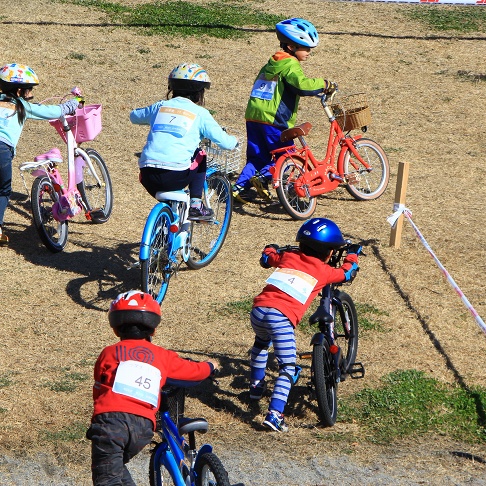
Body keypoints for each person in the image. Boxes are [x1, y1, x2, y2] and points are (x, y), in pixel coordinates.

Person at [87, 290, 219, 485]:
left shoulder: (108, 353)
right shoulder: (162, 356)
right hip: (143, 428)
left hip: (111, 425)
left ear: (115, 329)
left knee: (108, 476)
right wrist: (210, 366)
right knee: (115, 472)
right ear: (153, 329)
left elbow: (99, 386)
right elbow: (194, 371)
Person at [249, 218, 359, 432]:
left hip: (258, 310)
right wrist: (353, 255)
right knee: (288, 367)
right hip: (281, 317)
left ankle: (255, 387)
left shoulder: (288, 256)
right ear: (329, 253)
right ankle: (275, 414)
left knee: (261, 343)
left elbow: (269, 257)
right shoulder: (323, 271)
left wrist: (270, 249)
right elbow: (346, 272)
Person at [0, 63, 79, 250]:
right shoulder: (23, 105)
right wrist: (73, 104)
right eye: (30, 90)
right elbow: (52, 112)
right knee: (3, 190)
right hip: (0, 149)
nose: (31, 94)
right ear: (20, 91)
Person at [232, 18, 336, 205]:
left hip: (254, 117)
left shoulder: (271, 63)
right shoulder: (290, 64)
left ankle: (238, 188)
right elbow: (301, 85)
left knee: (257, 157)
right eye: (305, 48)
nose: (309, 53)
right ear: (291, 47)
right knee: (286, 155)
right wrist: (324, 84)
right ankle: (264, 178)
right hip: (274, 119)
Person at [130, 63, 237, 220]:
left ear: (172, 87)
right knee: (200, 154)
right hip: (174, 175)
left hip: (147, 175)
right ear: (200, 93)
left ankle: (164, 226)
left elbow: (134, 116)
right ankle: (195, 204)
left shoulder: (160, 107)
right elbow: (226, 143)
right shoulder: (200, 113)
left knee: (169, 203)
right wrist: (234, 141)